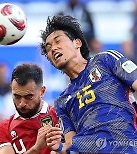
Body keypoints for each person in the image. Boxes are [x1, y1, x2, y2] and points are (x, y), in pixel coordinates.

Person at [39, 15, 137, 153]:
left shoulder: (105, 60)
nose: (53, 49)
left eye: (57, 41)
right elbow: (70, 145)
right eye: (48, 48)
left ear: (77, 43)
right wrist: (59, 147)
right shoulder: (62, 102)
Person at [0, 63, 58, 154]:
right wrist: (36, 149)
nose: (22, 104)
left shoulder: (60, 115)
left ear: (42, 92)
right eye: (17, 96)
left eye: (28, 97)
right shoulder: (3, 129)